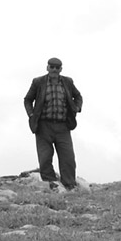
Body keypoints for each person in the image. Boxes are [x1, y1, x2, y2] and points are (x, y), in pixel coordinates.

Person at [23, 57, 83, 190]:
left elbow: (78, 96)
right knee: (45, 158)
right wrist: (31, 115)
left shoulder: (67, 82)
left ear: (61, 69)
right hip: (43, 126)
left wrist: (77, 108)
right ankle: (52, 185)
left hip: (63, 126)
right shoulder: (38, 82)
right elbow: (27, 100)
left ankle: (69, 186)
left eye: (57, 67)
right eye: (52, 67)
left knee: (68, 158)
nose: (54, 70)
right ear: (47, 68)